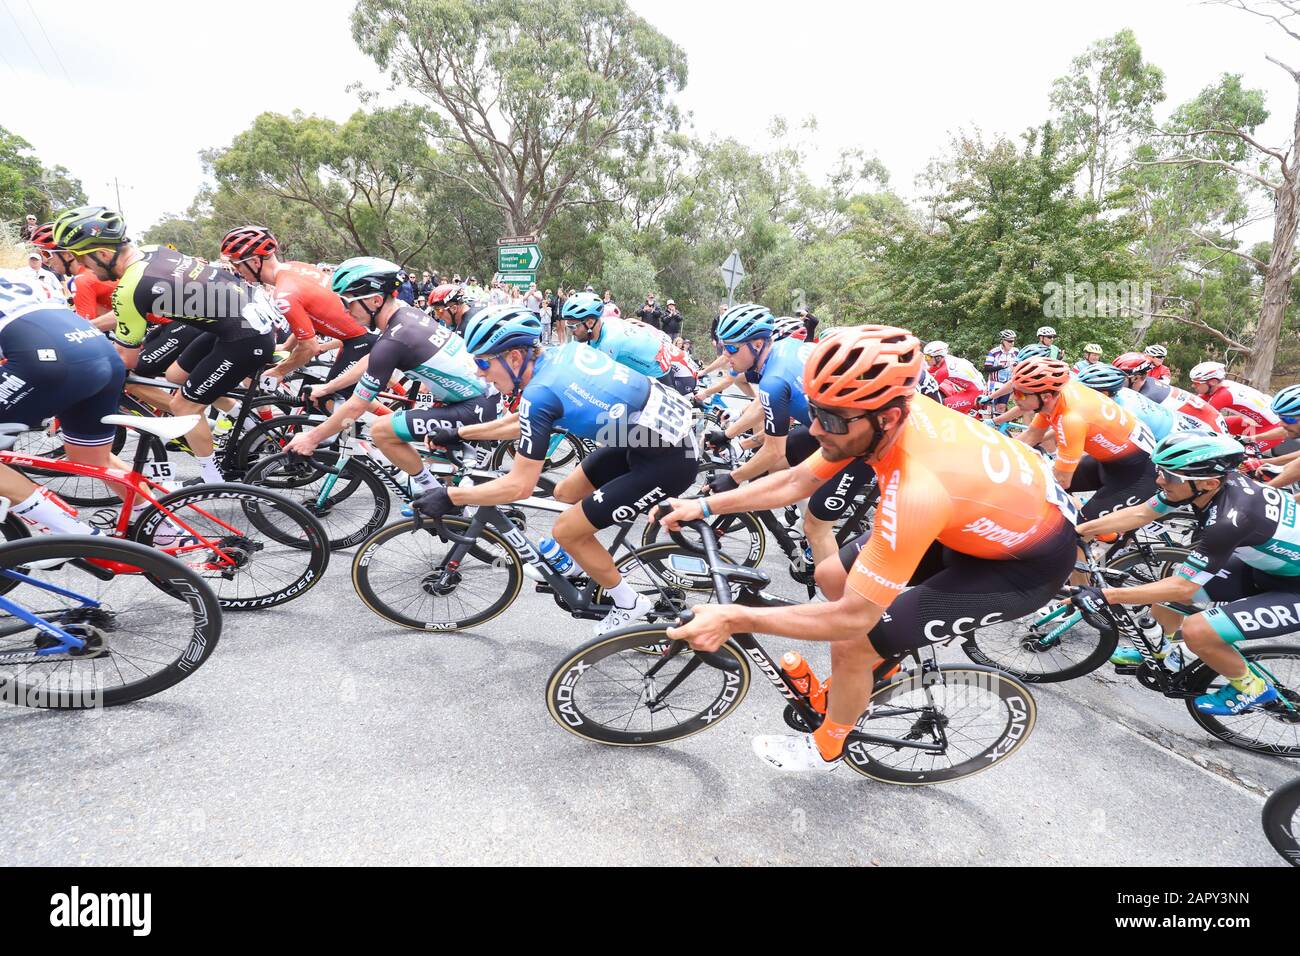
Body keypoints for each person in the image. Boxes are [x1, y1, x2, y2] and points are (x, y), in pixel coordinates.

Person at [657, 325, 1078, 772]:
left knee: (853, 639)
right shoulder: (876, 416)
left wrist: (734, 617)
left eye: (832, 420)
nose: (816, 428)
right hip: (977, 521)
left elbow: (852, 617)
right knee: (829, 577)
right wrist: (704, 504)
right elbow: (800, 479)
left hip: (1021, 566)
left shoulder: (917, 485)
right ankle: (883, 656)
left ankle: (829, 745)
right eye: (816, 411)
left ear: (889, 418)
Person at [413, 306, 698, 635]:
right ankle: (582, 561)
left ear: (515, 358)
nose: (479, 373)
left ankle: (629, 602)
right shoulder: (560, 355)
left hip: (669, 461)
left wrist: (451, 495)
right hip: (642, 438)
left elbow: (519, 486)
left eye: (483, 362)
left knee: (566, 530)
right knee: (565, 493)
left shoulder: (540, 391)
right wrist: (461, 432)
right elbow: (526, 421)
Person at [1075, 431, 1298, 715]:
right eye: (1161, 472)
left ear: (1209, 482)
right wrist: (1080, 530)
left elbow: (1184, 588)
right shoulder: (1208, 486)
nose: (1159, 481)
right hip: (1268, 569)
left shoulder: (1231, 518)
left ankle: (1251, 688)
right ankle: (1159, 650)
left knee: (1198, 630)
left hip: (1294, 590)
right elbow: (1143, 513)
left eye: (1171, 477)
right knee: (1169, 585)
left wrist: (1106, 595)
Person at [53, 205, 278, 485]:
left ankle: (215, 480)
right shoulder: (153, 251)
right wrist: (82, 330)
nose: (83, 268)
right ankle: (245, 424)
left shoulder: (130, 287)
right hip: (242, 322)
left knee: (184, 406)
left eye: (84, 261)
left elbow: (126, 360)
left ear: (103, 254)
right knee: (174, 376)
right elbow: (128, 312)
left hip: (244, 337)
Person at [283, 257, 494, 495]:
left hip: (474, 406)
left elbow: (355, 407)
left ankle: (435, 494)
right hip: (479, 397)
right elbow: (370, 360)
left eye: (348, 302)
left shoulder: (394, 339)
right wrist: (328, 387)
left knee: (382, 430)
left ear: (375, 301)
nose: (344, 311)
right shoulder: (406, 315)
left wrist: (311, 438)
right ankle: (444, 488)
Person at [0, 265, 127, 537]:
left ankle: (69, 534)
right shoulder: (13, 273)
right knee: (91, 456)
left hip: (48, 358)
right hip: (97, 348)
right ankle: (161, 527)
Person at [221, 226, 379, 400]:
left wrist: (280, 371)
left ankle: (390, 425)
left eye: (236, 263)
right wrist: (287, 347)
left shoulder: (284, 294)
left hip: (359, 341)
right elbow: (309, 317)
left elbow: (310, 347)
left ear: (255, 262)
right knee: (344, 399)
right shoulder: (295, 267)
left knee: (327, 400)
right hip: (360, 335)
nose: (236, 270)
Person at [1013, 357, 1157, 521]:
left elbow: (1061, 481)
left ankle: (1115, 539)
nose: (1013, 398)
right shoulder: (1057, 396)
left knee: (1081, 528)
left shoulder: (1072, 419)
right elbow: (1032, 436)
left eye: (1020, 394)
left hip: (1137, 475)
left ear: (1045, 396)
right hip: (1111, 462)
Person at [1111, 351, 1224, 432]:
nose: (1114, 380)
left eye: (1121, 377)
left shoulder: (1147, 396)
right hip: (1210, 420)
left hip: (1210, 429)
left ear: (1136, 377)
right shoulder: (1149, 383)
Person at [1186, 361, 1283, 451]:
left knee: (1238, 456)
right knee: (1222, 424)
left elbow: (1201, 418)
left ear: (1213, 381)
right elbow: (1191, 405)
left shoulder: (1224, 395)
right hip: (1251, 422)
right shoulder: (1215, 387)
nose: (1193, 386)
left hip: (1272, 428)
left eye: (1196, 383)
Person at [923, 341, 985, 416]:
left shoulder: (945, 370)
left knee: (939, 406)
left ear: (938, 357)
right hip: (972, 389)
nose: (926, 359)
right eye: (925, 356)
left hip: (975, 394)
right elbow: (928, 371)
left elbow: (928, 387)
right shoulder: (945, 359)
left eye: (928, 357)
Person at [983, 330, 1019, 411]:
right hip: (994, 383)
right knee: (990, 407)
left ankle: (998, 423)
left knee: (1001, 406)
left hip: (1007, 383)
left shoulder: (1016, 351)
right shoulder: (994, 352)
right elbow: (987, 368)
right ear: (1003, 341)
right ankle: (987, 423)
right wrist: (1002, 366)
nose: (1012, 343)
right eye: (1009, 341)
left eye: (1013, 341)